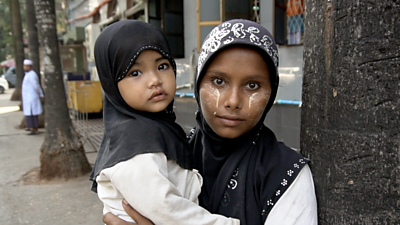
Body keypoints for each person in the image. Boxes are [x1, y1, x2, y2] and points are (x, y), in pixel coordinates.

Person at [103, 19, 317, 225]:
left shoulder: (284, 174)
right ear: (198, 83)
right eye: (218, 81)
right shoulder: (168, 154)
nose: (233, 101)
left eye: (252, 85)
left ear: (271, 91)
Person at [89, 20, 239, 224]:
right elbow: (166, 209)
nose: (155, 80)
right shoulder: (134, 143)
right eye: (135, 73)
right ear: (111, 83)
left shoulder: (155, 128)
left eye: (162, 66)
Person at [22, 59, 44, 135]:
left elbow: (36, 86)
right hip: (28, 97)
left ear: (30, 67)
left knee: (32, 113)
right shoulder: (28, 74)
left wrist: (41, 94)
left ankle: (34, 128)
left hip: (31, 97)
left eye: (26, 66)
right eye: (24, 66)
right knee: (30, 113)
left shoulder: (32, 75)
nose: (25, 67)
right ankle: (31, 127)